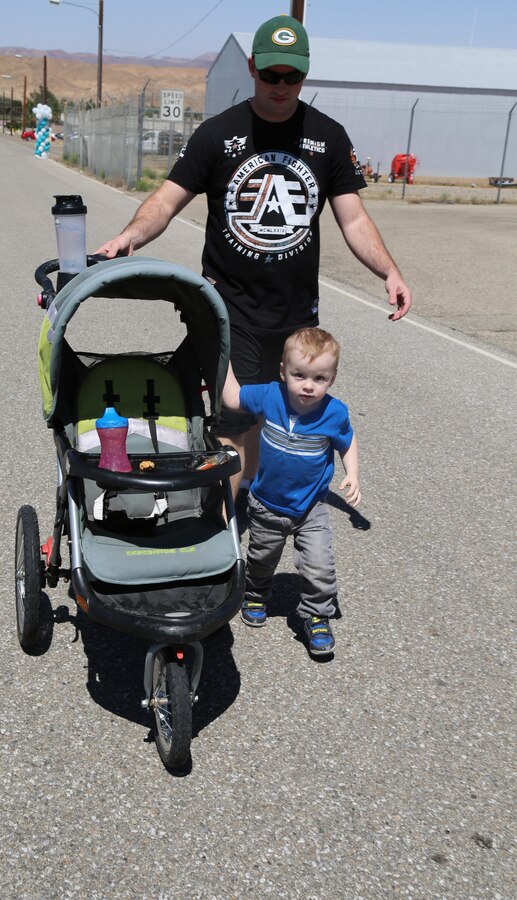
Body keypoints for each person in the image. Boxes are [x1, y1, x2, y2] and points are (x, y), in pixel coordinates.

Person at [96, 15, 411, 500]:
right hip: (230, 307)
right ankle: (225, 526)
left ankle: (246, 503)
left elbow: (354, 220)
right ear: (252, 68)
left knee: (274, 416)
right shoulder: (219, 134)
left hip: (295, 314)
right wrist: (128, 237)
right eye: (270, 75)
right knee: (234, 419)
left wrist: (388, 270)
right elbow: (165, 199)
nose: (281, 86)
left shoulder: (328, 136)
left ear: (305, 74)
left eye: (292, 76)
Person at [222, 326, 360, 657]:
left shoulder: (334, 412)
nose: (308, 386)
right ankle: (256, 593)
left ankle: (316, 615)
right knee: (260, 558)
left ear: (332, 378)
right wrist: (222, 354)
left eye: (319, 378)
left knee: (319, 564)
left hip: (310, 507)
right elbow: (233, 397)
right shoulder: (271, 396)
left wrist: (352, 473)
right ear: (283, 371)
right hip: (267, 504)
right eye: (300, 375)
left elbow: (347, 440)